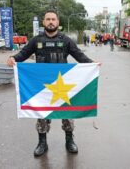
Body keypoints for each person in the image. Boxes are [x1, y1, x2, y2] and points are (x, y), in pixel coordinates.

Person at [7, 10, 94, 157]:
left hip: (62, 85)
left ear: (58, 22)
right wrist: (13, 58)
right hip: (42, 87)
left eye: (53, 19)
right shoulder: (36, 40)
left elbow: (79, 56)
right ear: (43, 22)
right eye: (48, 19)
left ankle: (69, 140)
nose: (51, 22)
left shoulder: (66, 40)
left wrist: (92, 64)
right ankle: (42, 143)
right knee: (42, 113)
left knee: (67, 112)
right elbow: (22, 54)